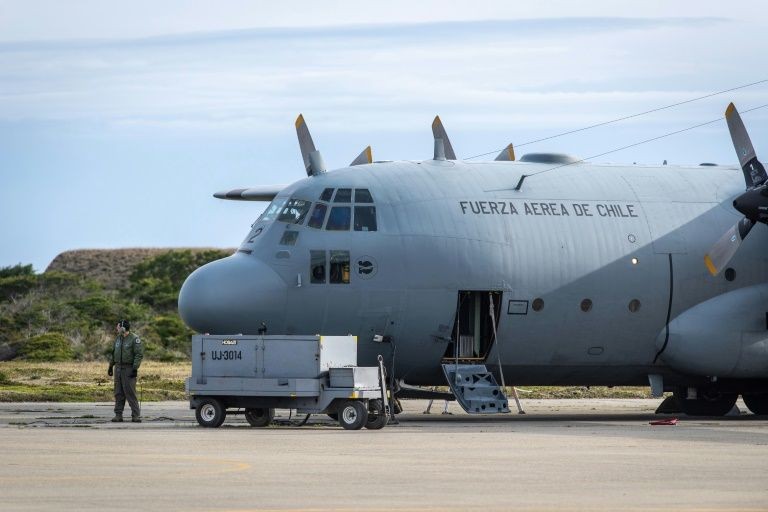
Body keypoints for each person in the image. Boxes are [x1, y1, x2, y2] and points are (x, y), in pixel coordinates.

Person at [107, 319, 144, 423]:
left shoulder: (134, 339)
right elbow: (114, 353)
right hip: (118, 368)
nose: (117, 328)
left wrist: (135, 368)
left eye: (118, 327)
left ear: (123, 328)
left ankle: (135, 415)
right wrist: (110, 366)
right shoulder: (118, 338)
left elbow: (139, 355)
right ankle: (118, 415)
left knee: (130, 392)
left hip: (128, 368)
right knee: (118, 392)